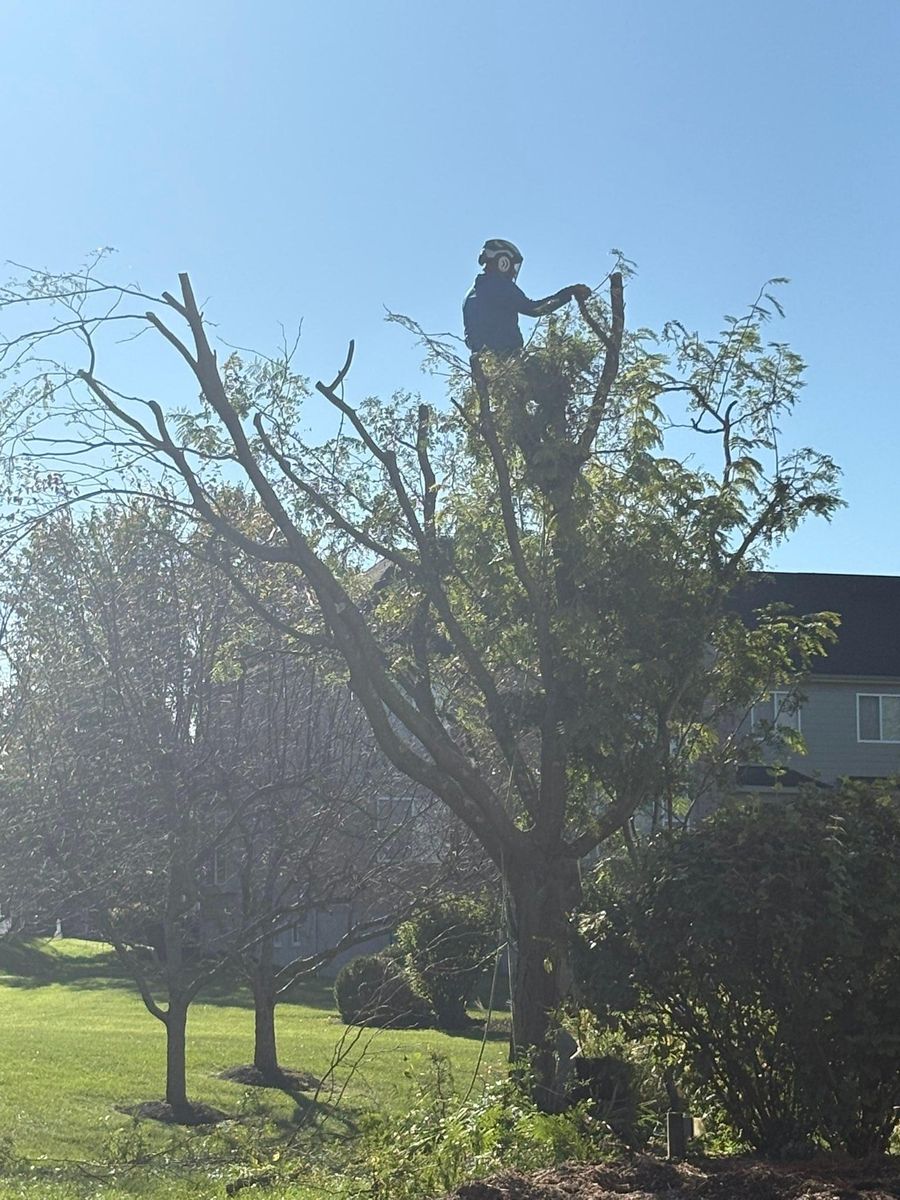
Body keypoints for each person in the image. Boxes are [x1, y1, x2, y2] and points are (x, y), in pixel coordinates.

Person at [463, 239, 590, 357]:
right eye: (512, 266)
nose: (513, 272)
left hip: (484, 366)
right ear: (503, 261)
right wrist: (568, 293)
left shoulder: (472, 293)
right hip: (508, 360)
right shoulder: (499, 285)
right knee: (553, 371)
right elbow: (535, 309)